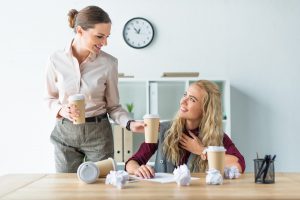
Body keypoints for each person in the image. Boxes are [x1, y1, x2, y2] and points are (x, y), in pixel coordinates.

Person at [44, 5, 144, 173]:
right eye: (99, 36)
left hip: (99, 134)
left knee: (101, 187)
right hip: (65, 134)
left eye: (107, 37)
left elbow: (113, 106)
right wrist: (62, 109)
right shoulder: (55, 60)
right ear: (80, 31)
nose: (105, 42)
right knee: (66, 188)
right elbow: (49, 98)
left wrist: (130, 123)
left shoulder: (109, 63)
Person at [125, 80, 245, 178]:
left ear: (205, 110)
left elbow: (239, 164)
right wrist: (137, 169)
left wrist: (202, 151)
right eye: (185, 95)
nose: (183, 101)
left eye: (192, 99)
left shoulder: (217, 136)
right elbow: (132, 162)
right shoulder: (162, 129)